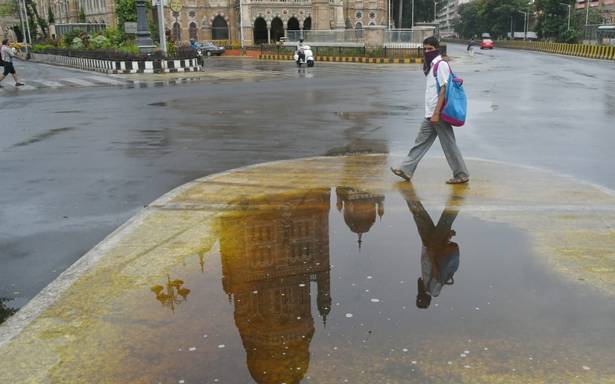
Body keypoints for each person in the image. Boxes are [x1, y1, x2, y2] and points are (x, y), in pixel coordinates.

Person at [391, 36, 469, 184]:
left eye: (430, 49)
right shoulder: (431, 66)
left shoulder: (441, 65)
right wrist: (431, 113)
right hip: (430, 113)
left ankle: (461, 174)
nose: (427, 51)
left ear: (436, 49)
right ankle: (406, 170)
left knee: (449, 144)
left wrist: (436, 113)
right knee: (420, 142)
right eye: (425, 49)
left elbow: (444, 89)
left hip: (438, 113)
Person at [397, 183, 465, 309]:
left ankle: (410, 195)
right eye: (420, 299)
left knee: (424, 217)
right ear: (425, 298)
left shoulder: (425, 286)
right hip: (433, 247)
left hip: (429, 245)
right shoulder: (433, 291)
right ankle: (458, 197)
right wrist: (432, 256)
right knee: (436, 218)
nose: (419, 296)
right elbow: (437, 275)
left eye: (418, 299)